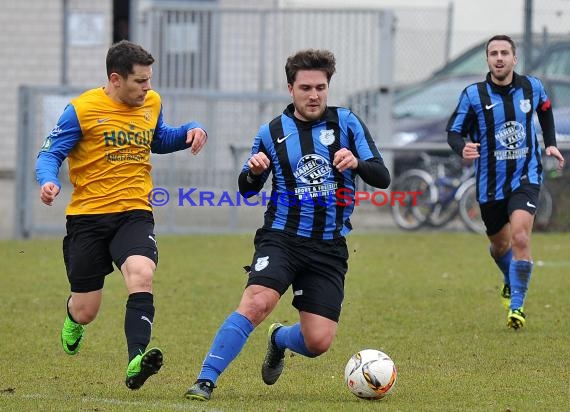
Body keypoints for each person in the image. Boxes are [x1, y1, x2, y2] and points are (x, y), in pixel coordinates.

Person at [184, 49, 391, 401]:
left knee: (318, 342)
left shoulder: (348, 123)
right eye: (306, 87)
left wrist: (356, 163)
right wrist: (253, 171)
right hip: (282, 238)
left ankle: (279, 338)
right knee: (256, 303)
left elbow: (382, 177)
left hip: (328, 247)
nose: (314, 95)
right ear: (290, 88)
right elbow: (246, 190)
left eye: (321, 88)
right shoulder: (271, 132)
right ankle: (205, 380)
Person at [35, 40, 207, 389]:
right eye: (139, 81)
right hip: (88, 217)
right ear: (116, 79)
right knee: (87, 310)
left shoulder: (152, 102)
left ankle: (136, 361)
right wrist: (48, 181)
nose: (147, 88)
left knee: (142, 274)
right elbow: (49, 154)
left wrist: (190, 130)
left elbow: (157, 139)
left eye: (149, 80)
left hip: (134, 211)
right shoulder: (81, 110)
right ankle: (73, 317)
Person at [446, 34, 565, 330]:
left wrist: (549, 143)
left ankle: (517, 307)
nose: (499, 58)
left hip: (526, 176)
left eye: (504, 53)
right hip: (489, 184)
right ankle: (507, 278)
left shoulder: (532, 87)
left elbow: (546, 111)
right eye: (493, 53)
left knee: (521, 238)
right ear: (487, 60)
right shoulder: (473, 95)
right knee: (500, 246)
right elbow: (453, 130)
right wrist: (462, 146)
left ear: (514, 59)